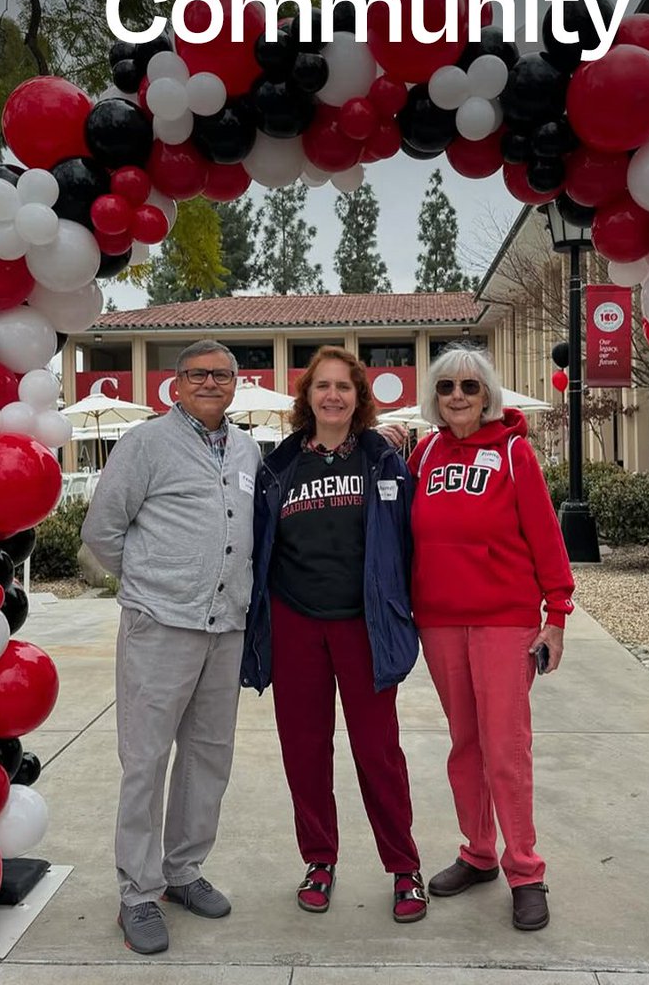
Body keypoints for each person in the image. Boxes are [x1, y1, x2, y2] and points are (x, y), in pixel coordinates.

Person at [82, 339, 260, 955]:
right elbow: (102, 529)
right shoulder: (144, 444)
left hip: (226, 626)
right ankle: (138, 891)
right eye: (198, 374)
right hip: (160, 625)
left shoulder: (247, 449)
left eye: (222, 374)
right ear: (176, 384)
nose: (211, 383)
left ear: (235, 384)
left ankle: (183, 870)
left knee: (209, 756)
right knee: (146, 759)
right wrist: (150, 583)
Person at [242, 346, 427, 922]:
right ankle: (319, 859)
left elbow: (410, 542)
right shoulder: (278, 466)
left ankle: (404, 867)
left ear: (359, 396)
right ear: (307, 396)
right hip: (295, 622)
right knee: (304, 751)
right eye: (322, 385)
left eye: (344, 386)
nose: (332, 396)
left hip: (364, 624)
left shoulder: (383, 461)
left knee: (378, 752)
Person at [407, 344, 574, 933]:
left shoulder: (512, 451)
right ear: (435, 397)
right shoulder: (424, 453)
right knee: (466, 744)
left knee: (505, 747)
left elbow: (546, 536)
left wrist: (557, 615)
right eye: (446, 387)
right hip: (439, 621)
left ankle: (525, 870)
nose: (457, 396)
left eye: (469, 387)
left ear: (487, 396)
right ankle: (479, 852)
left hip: (505, 620)